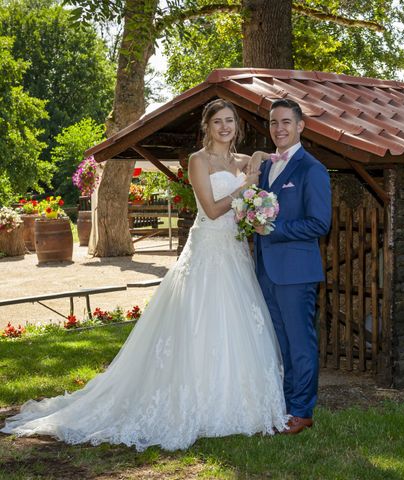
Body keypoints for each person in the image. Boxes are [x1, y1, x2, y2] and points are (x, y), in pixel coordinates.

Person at [1, 99, 289, 451]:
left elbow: (258, 162)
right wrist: (246, 187)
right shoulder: (198, 161)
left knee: (237, 325)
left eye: (230, 121)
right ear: (207, 126)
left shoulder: (241, 161)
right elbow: (213, 210)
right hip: (206, 252)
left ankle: (236, 401)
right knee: (199, 324)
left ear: (237, 127)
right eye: (218, 122)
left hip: (234, 254)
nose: (225, 127)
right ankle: (193, 400)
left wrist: (258, 161)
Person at [254, 98, 332, 435]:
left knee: (301, 345)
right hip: (266, 270)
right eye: (273, 122)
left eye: (286, 122)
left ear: (301, 126)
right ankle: (285, 406)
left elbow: (320, 224)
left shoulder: (311, 169)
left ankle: (302, 410)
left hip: (297, 273)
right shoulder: (266, 168)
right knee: (280, 343)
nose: (279, 128)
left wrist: (274, 228)